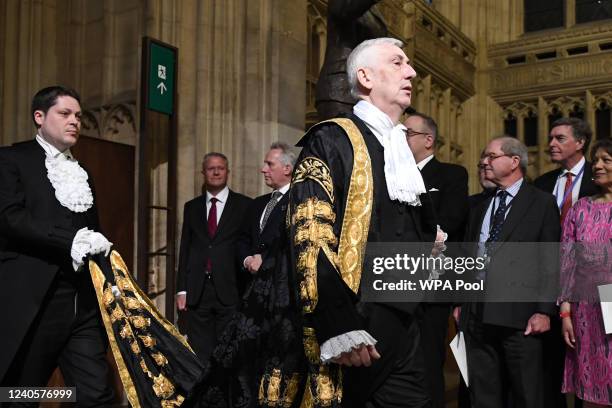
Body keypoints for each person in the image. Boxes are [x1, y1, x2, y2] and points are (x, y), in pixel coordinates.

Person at [277, 37, 435, 407]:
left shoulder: (399, 148)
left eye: (408, 64)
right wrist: (339, 324)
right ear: (365, 76)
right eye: (398, 63)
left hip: (406, 321)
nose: (411, 71)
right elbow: (308, 232)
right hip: (356, 321)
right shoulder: (331, 139)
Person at [0, 86, 114, 405]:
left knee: (95, 394)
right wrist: (70, 240)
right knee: (21, 395)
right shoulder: (11, 159)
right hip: (36, 301)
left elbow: (91, 232)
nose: (74, 121)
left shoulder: (83, 172)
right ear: (40, 117)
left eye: (78, 116)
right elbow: (10, 218)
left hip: (82, 303)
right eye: (64, 114)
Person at [455, 136, 560, 408]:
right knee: (483, 395)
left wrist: (544, 310)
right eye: (484, 156)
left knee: (526, 394)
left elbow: (550, 258)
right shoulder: (479, 204)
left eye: (492, 156)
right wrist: (461, 303)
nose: (484, 162)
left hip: (520, 318)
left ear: (514, 161)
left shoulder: (541, 202)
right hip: (477, 314)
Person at [404, 112, 469, 408]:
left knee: (429, 358)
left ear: (428, 140)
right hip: (394, 278)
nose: (401, 139)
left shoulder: (452, 174)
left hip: (432, 282)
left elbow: (451, 220)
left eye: (407, 133)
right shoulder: (393, 173)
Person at [534, 117, 596, 408]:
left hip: (595, 288)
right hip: (549, 284)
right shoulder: (543, 183)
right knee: (551, 364)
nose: (551, 144)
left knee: (595, 361)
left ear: (580, 142)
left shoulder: (601, 179)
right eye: (550, 138)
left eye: (559, 138)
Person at [176, 152, 252, 364]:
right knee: (200, 354)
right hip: (198, 291)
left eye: (220, 168)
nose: (216, 172)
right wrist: (182, 289)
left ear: (228, 172)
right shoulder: (191, 207)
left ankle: (225, 396)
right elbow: (185, 249)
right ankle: (203, 396)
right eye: (211, 168)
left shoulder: (245, 205)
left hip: (231, 289)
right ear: (203, 173)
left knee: (229, 351)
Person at [558, 138, 612, 408]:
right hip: (586, 307)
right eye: (596, 160)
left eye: (606, 160)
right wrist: (566, 312)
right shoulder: (580, 208)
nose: (598, 165)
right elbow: (567, 262)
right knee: (593, 387)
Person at [315, 0, 387, 120]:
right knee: (340, 137)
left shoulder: (374, 11)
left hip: (366, 90)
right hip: (341, 89)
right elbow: (345, 11)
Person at [238, 142, 295, 279]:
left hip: (281, 286)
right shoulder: (257, 203)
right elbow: (242, 239)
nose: (263, 169)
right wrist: (248, 260)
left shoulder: (298, 202)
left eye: (270, 164)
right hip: (251, 287)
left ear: (287, 169)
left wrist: (264, 260)